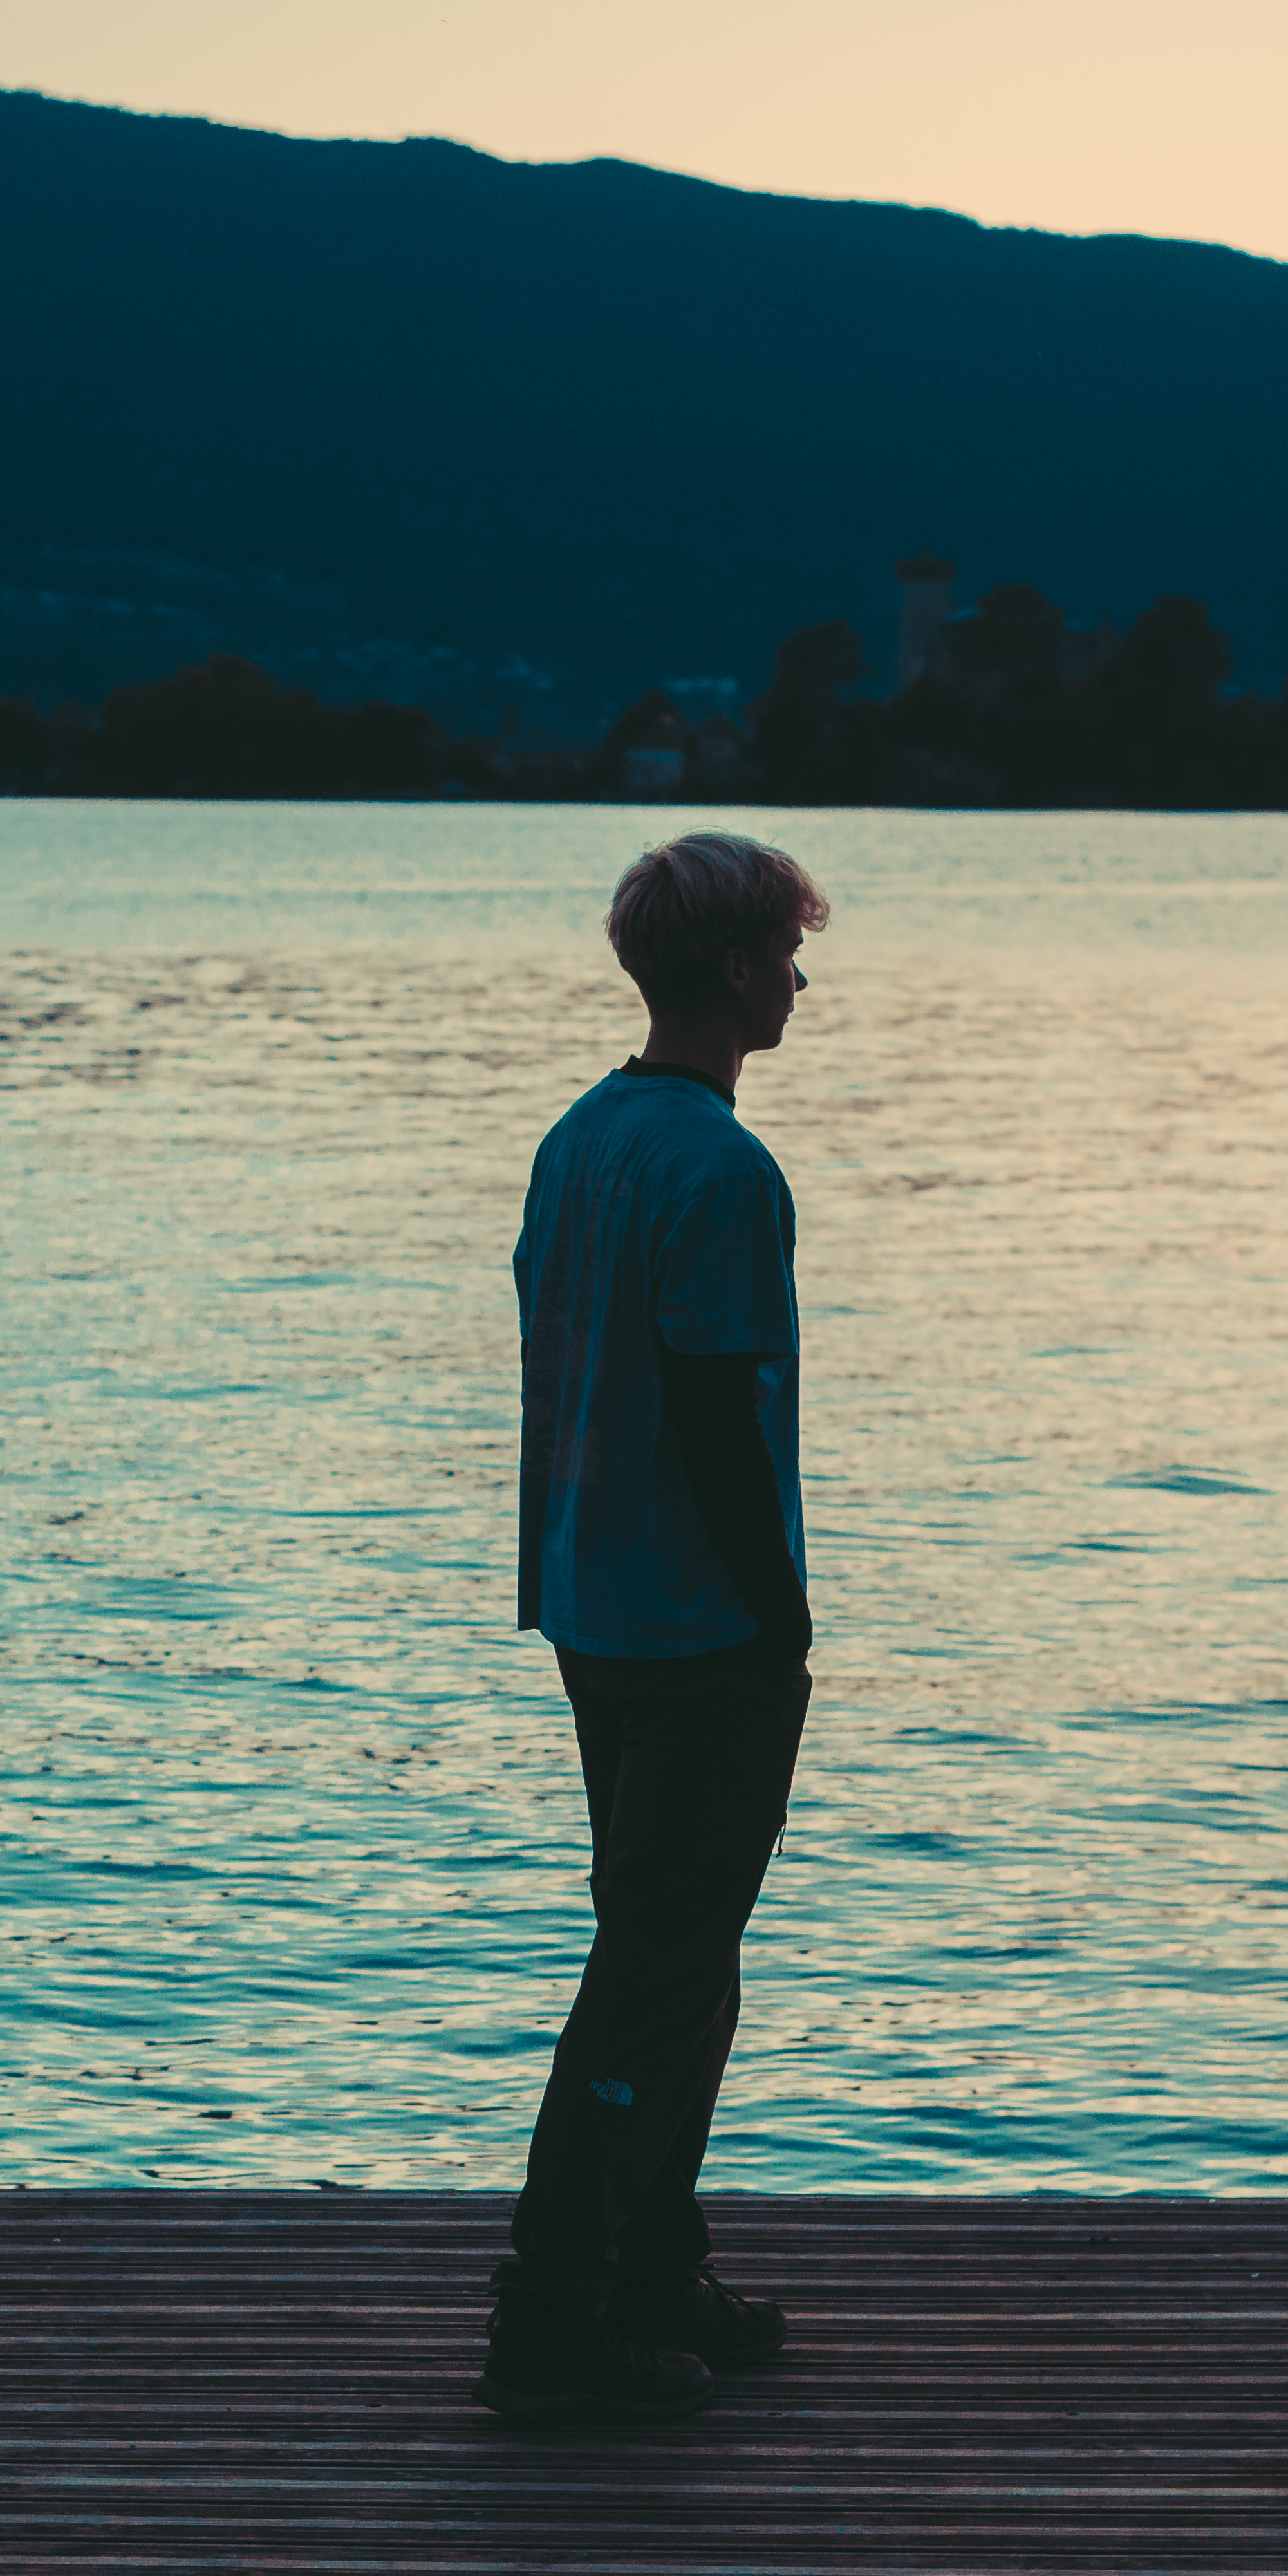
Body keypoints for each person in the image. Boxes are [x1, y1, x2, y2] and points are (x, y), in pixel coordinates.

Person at [486, 832, 831, 2423]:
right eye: (787, 950)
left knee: (683, 1954)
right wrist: (782, 1617)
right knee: (654, 1968)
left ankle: (650, 2264)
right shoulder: (717, 1168)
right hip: (698, 1632)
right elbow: (710, 1410)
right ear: (739, 968)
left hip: (590, 1605)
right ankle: (553, 2323)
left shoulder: (579, 1140)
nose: (802, 976)